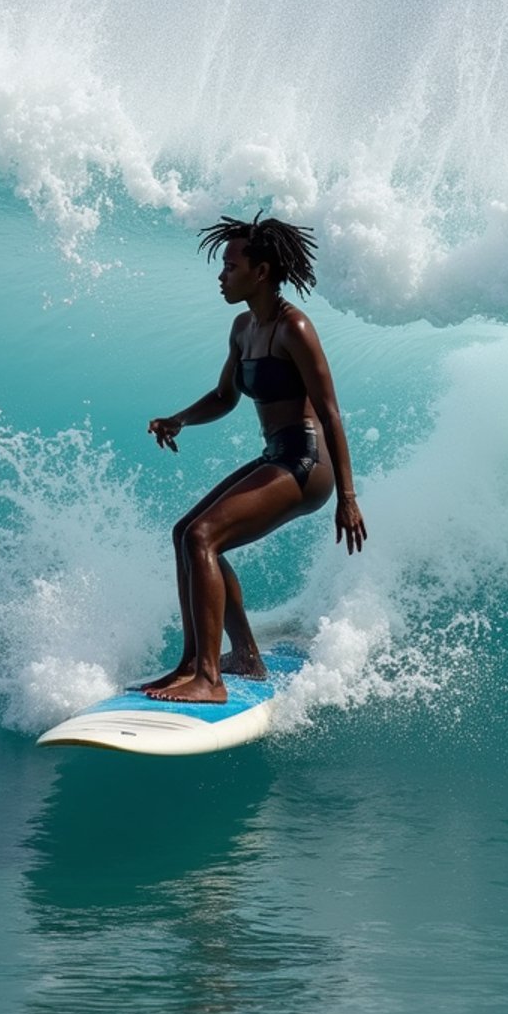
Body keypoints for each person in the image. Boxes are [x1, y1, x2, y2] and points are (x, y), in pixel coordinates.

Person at [142, 213, 367, 704]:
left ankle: (209, 679)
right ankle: (227, 656)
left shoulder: (295, 329)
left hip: (307, 465)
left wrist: (347, 497)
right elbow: (225, 397)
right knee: (187, 533)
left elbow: (330, 414)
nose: (222, 274)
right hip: (276, 455)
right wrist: (178, 419)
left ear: (260, 272)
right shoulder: (243, 327)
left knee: (204, 536)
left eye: (230, 265)